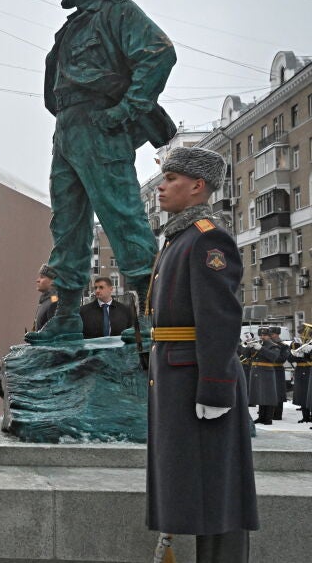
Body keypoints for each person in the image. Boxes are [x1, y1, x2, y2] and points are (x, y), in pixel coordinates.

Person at [27, 0, 177, 344]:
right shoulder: (75, 23)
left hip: (99, 124)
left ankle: (149, 313)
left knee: (121, 215)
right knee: (67, 223)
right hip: (68, 126)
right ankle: (66, 315)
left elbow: (159, 52)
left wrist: (127, 109)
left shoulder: (115, 9)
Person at [146, 147, 257, 562]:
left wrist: (214, 388)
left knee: (219, 490)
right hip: (177, 375)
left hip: (196, 379)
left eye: (171, 179)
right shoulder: (180, 237)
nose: (161, 186)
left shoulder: (207, 236)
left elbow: (220, 320)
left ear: (197, 186)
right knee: (190, 486)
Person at [245, 327, 281, 425]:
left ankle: (268, 418)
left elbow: (273, 357)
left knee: (268, 395)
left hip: (267, 372)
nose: (262, 337)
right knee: (259, 395)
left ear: (269, 336)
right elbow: (246, 356)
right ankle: (261, 417)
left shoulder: (274, 346)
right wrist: (248, 347)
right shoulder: (257, 344)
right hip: (256, 372)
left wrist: (261, 348)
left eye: (264, 335)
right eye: (260, 335)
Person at [290, 337, 312, 423]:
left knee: (309, 394)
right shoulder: (296, 343)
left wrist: (306, 354)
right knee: (302, 394)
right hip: (300, 370)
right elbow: (290, 357)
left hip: (309, 369)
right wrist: (297, 355)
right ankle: (305, 416)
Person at [268, 326, 288, 420]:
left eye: (272, 334)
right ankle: (268, 412)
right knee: (268, 391)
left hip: (277, 370)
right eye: (270, 334)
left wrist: (270, 356)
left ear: (277, 334)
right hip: (268, 370)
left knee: (278, 392)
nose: (271, 336)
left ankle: (277, 414)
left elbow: (282, 359)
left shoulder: (283, 346)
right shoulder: (267, 344)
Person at [33, 265, 59, 332]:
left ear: (53, 281)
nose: (37, 280)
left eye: (42, 277)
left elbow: (52, 331)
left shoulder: (54, 302)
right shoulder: (46, 301)